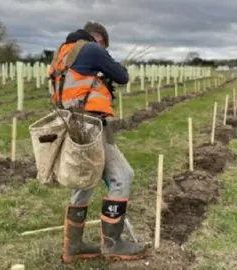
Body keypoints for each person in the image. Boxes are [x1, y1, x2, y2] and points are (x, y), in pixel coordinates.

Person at [48, 21, 150, 263]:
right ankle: (113, 243)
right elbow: (122, 76)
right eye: (104, 45)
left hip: (71, 124)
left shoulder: (62, 55)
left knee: (86, 180)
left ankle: (73, 247)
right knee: (123, 175)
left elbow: (77, 87)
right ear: (98, 39)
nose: (104, 50)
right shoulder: (92, 49)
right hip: (91, 125)